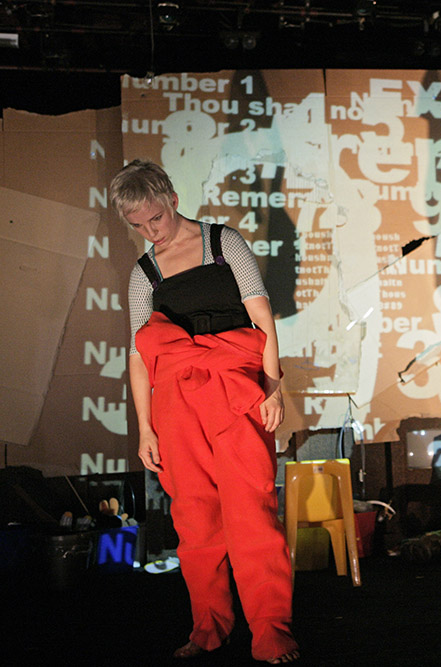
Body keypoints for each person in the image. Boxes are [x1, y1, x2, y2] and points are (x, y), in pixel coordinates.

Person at [112, 160, 300, 663]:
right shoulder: (144, 273)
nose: (150, 231)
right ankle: (208, 628)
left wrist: (274, 388)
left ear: (171, 196)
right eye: (138, 226)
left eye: (155, 218)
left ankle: (270, 630)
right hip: (176, 403)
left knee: (251, 514)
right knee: (194, 521)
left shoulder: (223, 243)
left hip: (235, 389)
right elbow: (138, 356)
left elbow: (262, 316)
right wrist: (144, 429)